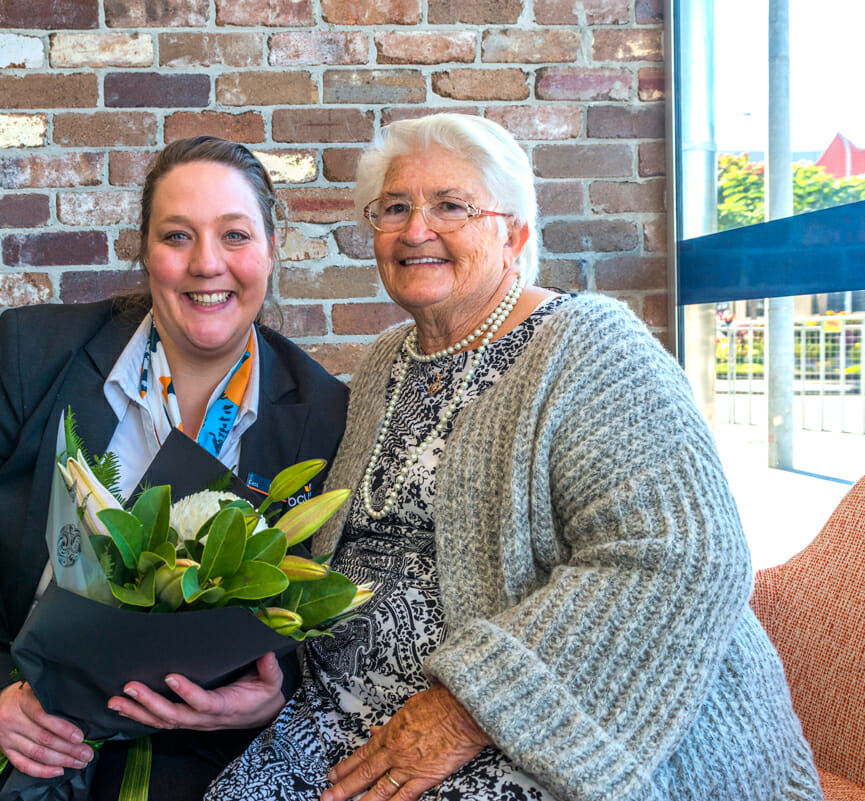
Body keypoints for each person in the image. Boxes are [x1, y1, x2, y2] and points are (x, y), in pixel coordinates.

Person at [189, 114, 822, 800]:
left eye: (451, 206)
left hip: (537, 730)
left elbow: (682, 553)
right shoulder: (384, 365)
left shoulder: (590, 346)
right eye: (394, 208)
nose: (415, 229)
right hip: (349, 719)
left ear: (514, 233)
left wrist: (471, 705)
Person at [0, 136, 349, 801]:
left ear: (273, 247)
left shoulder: (322, 412)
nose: (207, 263)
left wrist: (262, 696)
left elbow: (318, 593)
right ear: (145, 251)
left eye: (235, 235)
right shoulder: (37, 351)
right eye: (177, 236)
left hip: (165, 703)